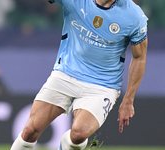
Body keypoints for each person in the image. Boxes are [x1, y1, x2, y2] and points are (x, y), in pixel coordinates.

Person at [10, 0, 148, 149]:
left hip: (102, 85)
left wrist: (128, 100)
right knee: (30, 131)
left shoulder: (134, 16)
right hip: (65, 74)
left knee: (79, 134)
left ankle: (67, 144)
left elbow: (139, 57)